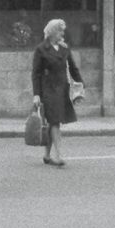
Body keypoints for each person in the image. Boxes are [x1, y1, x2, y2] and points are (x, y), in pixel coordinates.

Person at [31, 18, 83, 167]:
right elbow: (36, 73)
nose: (62, 33)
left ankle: (47, 155)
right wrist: (36, 94)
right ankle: (58, 155)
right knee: (54, 122)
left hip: (62, 89)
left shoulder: (64, 48)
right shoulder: (41, 49)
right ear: (53, 32)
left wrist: (80, 85)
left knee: (55, 122)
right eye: (60, 30)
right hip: (48, 89)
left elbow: (73, 68)